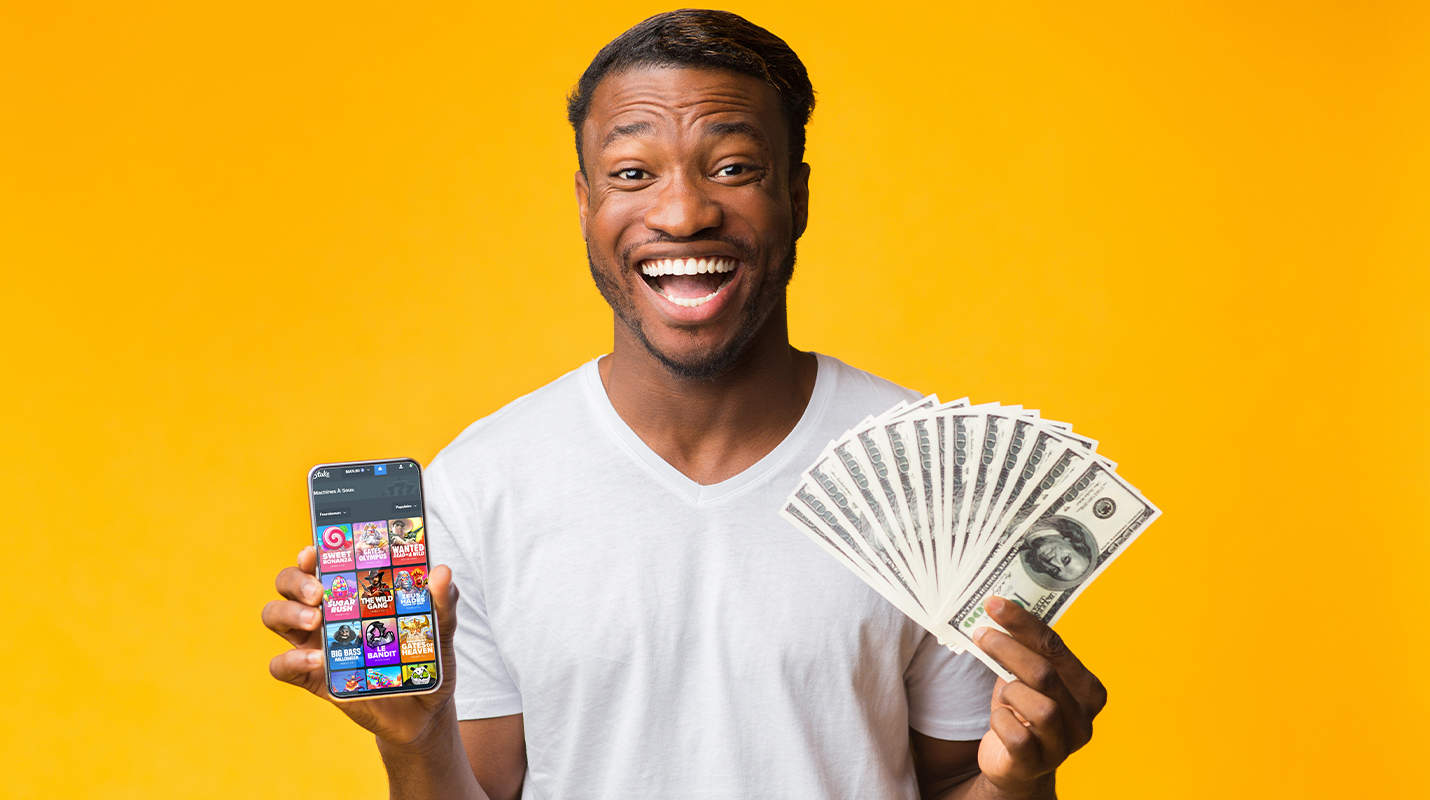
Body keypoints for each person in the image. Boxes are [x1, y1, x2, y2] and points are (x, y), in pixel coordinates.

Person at [262, 10, 1108, 799]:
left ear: (798, 199)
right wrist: (411, 741)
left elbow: (965, 780)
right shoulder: (482, 486)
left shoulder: (934, 477)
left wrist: (1016, 783)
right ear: (587, 205)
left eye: (734, 169)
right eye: (633, 174)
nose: (683, 212)